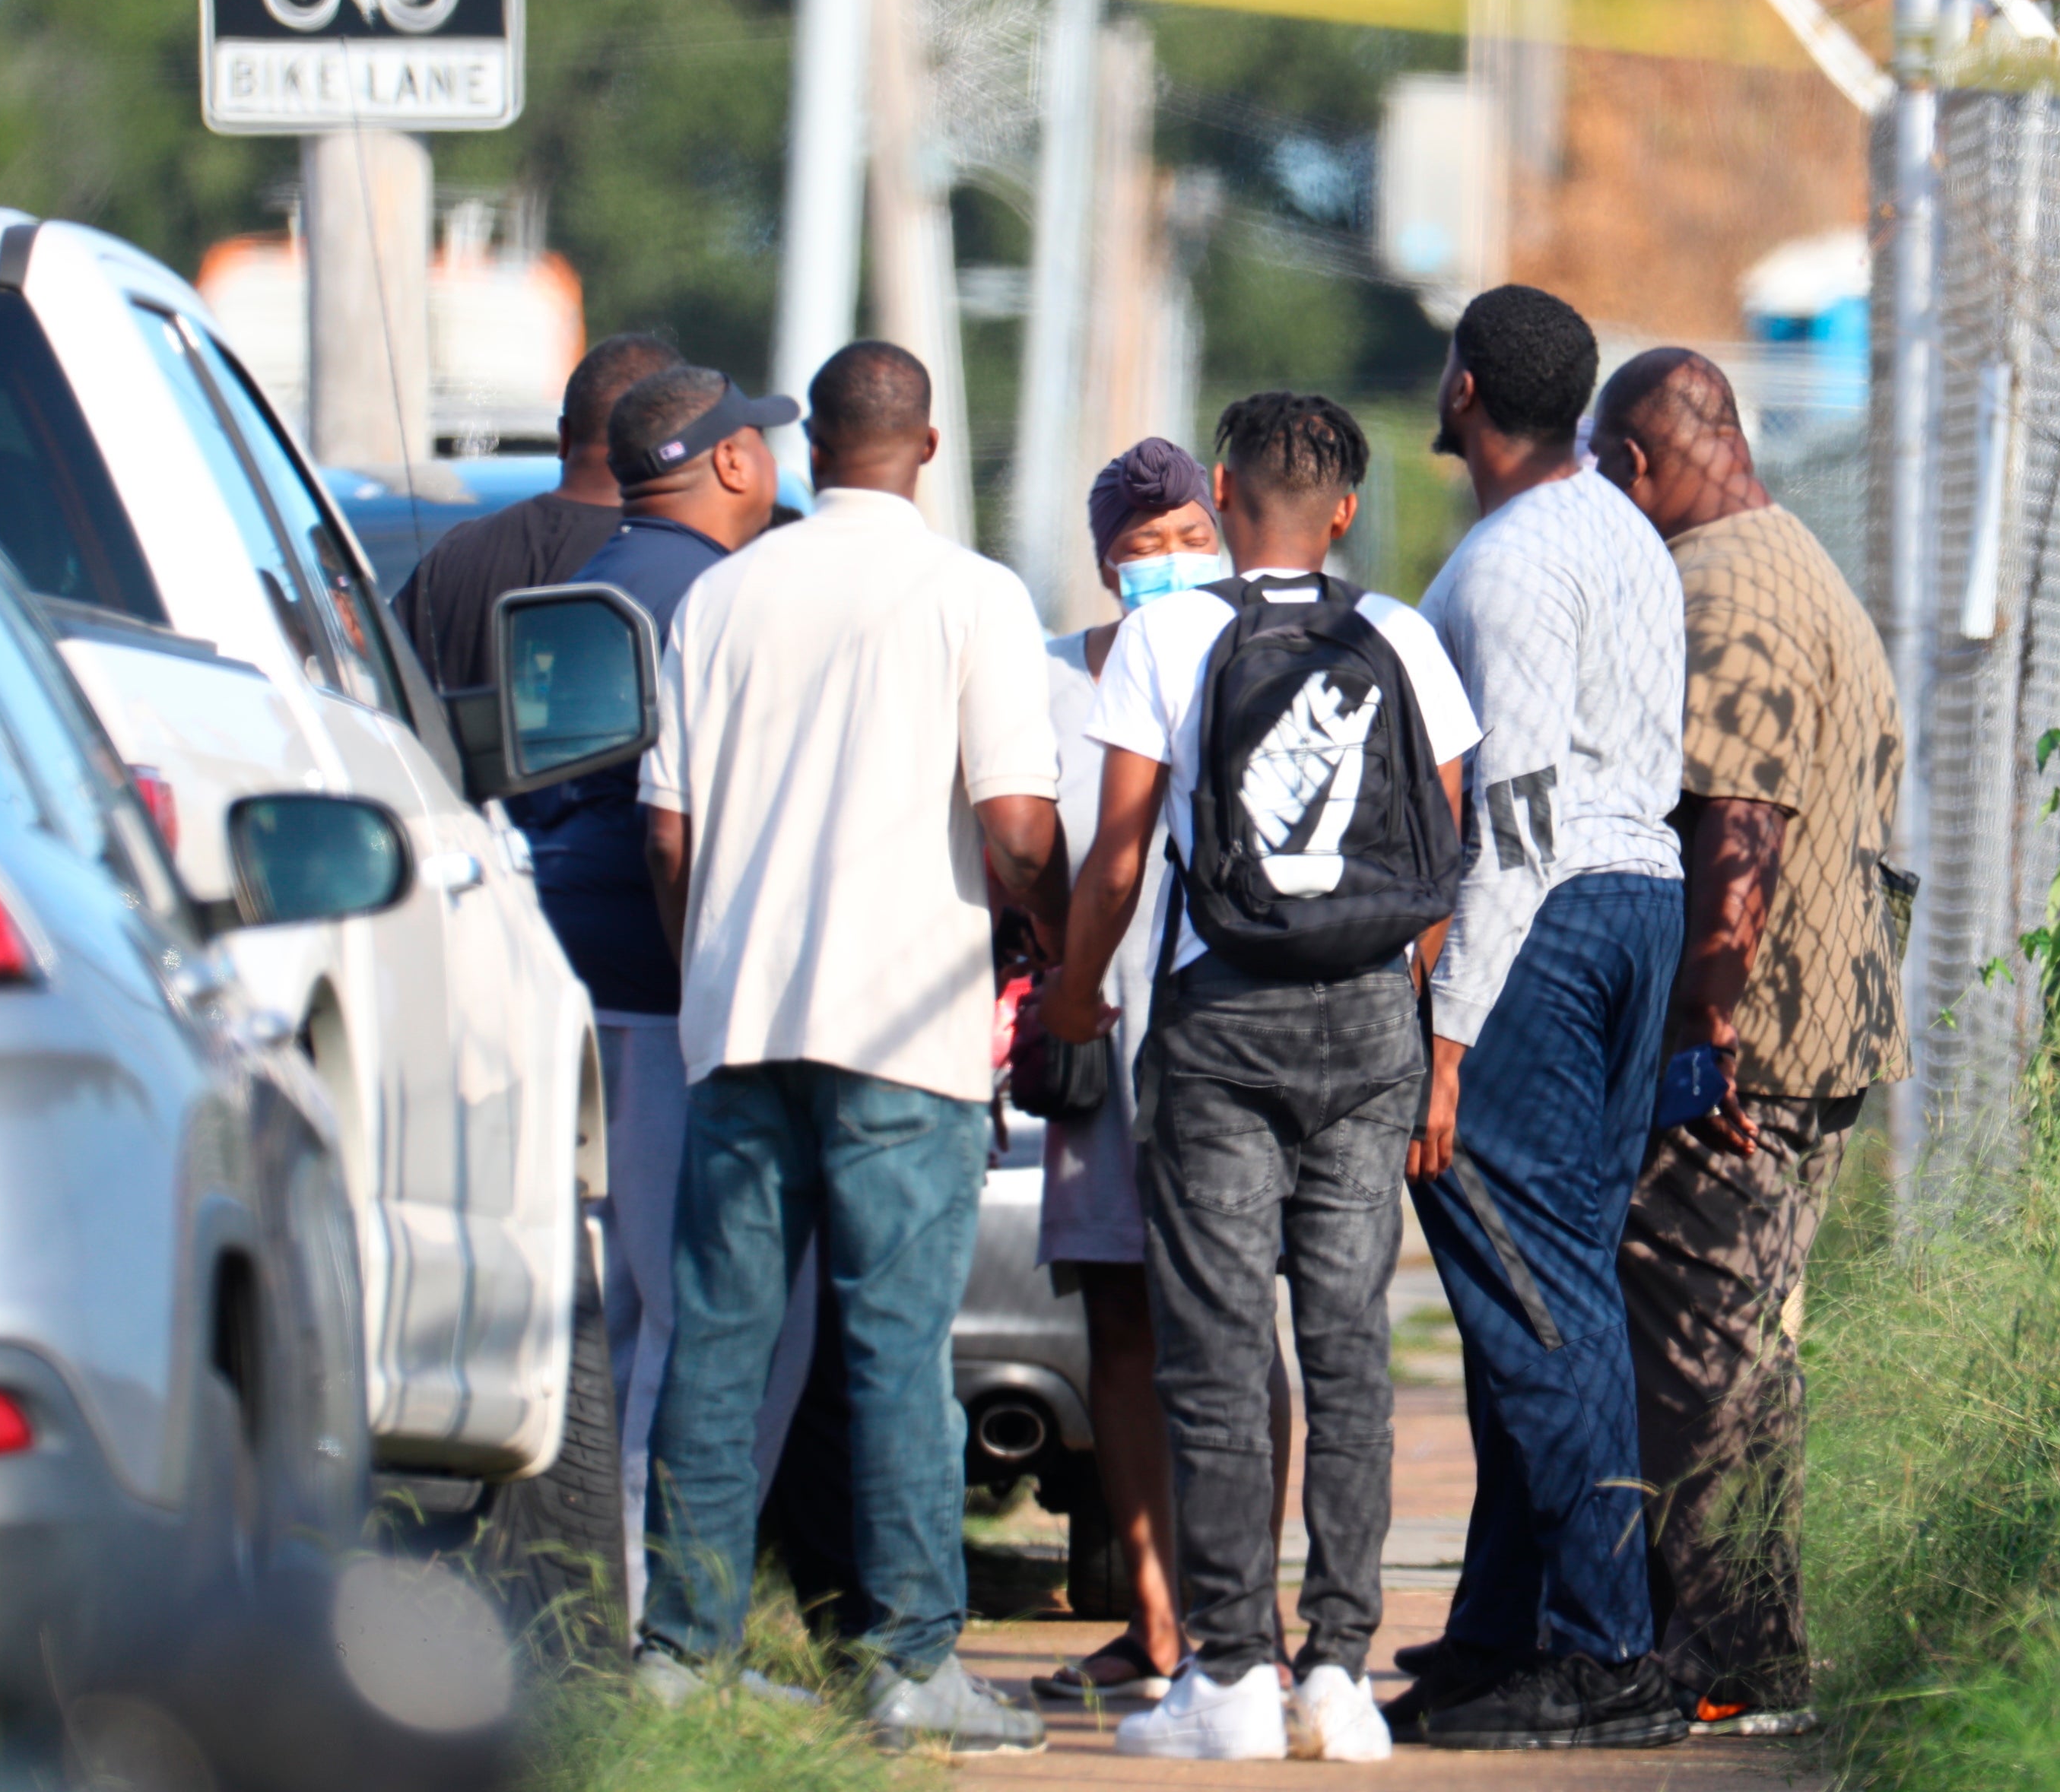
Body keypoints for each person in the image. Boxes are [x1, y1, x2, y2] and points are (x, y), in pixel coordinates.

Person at [632, 340, 1061, 1756]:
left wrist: (711, 968)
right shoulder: (971, 596)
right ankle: (907, 1660)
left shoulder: (722, 596)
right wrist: (1054, 943)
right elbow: (1013, 827)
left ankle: (679, 1650)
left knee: (719, 1341)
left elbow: (668, 834)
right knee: (893, 1348)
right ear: (926, 447)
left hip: (743, 1022)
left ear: (811, 446)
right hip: (903, 1029)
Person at [1042, 394, 1479, 1763]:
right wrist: (1399, 1000)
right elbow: (1445, 848)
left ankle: (1227, 1674)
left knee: (1216, 1343)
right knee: (1346, 1342)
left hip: (1215, 1021)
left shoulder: (1164, 635)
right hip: (1364, 1022)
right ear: (1342, 508)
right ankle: (1337, 1673)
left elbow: (1118, 850)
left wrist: (1071, 992)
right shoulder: (1399, 633)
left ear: (1223, 493)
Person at [1589, 348, 1906, 1739]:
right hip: (1808, 1030)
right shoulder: (1793, 563)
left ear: (1646, 461)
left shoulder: (1727, 590)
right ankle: (1752, 1654)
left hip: (1751, 1049)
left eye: (1612, 468)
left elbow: (1736, 828)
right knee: (1746, 1350)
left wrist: (1697, 1032)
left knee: (1699, 1352)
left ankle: (1720, 1658)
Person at [1394, 285, 1692, 1750]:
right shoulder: (1619, 530)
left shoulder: (1507, 561)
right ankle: (1500, 1628)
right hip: (1638, 894)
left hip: (1552, 916)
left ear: (1463, 391)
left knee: (1533, 1282)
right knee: (1550, 1281)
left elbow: (1506, 816)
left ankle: (1602, 1645)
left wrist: (1447, 1030)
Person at [516, 363, 811, 1619]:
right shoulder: (719, 598)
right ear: (730, 462)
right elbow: (679, 831)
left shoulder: (589, 583)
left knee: (620, 1314)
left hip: (559, 972)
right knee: (705, 1314)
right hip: (667, 990)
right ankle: (665, 1620)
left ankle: (622, 1608)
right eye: (761, 440)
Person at [1024, 438, 1296, 1709]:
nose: (1168, 567)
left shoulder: (1280, 659)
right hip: (1104, 1044)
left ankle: (1251, 1602)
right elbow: (1022, 839)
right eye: (1140, 553)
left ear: (1227, 530)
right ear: (1103, 567)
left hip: (1238, 1038)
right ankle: (1154, 1617)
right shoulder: (1050, 684)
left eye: (1188, 539)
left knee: (1246, 1323)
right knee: (1121, 1328)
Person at [391, 331, 679, 690]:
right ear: (672, 448)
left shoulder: (452, 556)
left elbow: (394, 692)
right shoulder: (676, 566)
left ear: (564, 436)